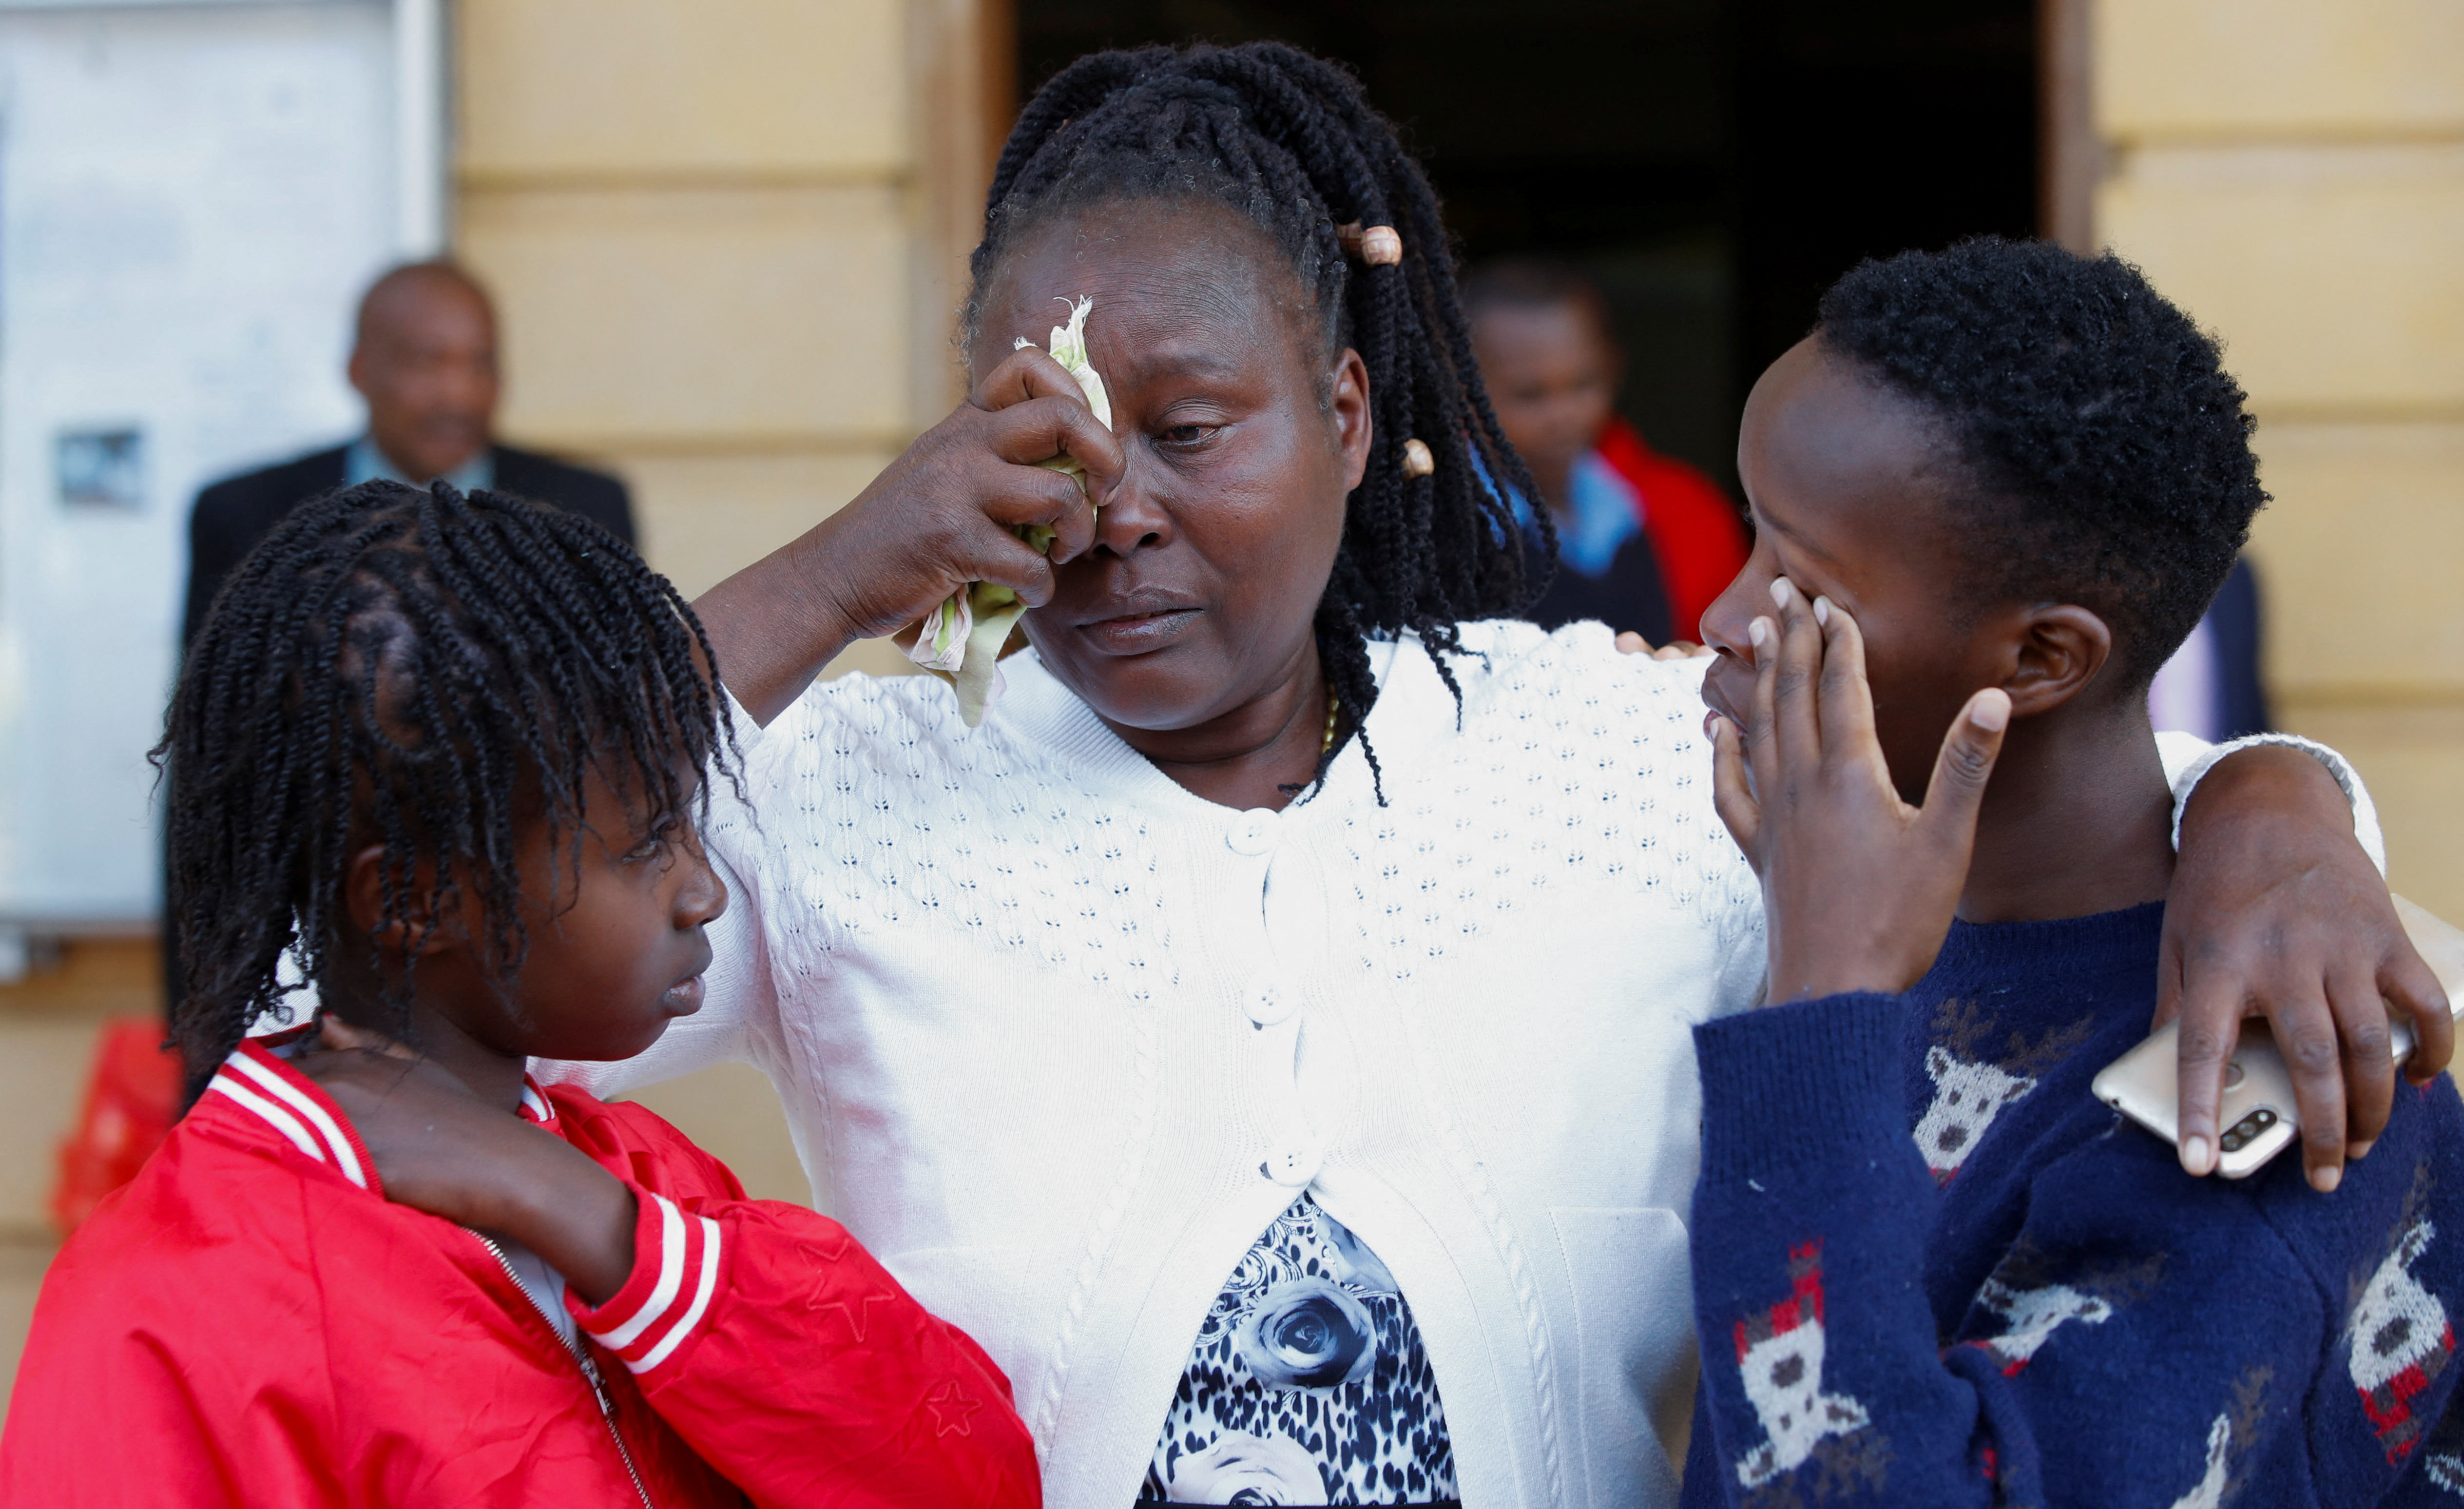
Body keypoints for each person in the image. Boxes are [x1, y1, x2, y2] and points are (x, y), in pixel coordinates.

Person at [556, 44, 2439, 1509]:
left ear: (1348, 418)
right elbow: (382, 958)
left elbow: (2068, 793)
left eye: (1191, 428)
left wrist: (2276, 802)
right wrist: (824, 577)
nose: (1106, 512)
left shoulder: (1611, 746)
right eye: (1036, 438)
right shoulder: (833, 797)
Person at [0, 483, 1039, 1509]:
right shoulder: (176, 1302)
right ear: (415, 896)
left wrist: (594, 1220)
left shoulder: (641, 1179)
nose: (705, 888)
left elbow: (974, 1475)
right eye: (643, 845)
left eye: (690, 822)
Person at [1681, 240, 2463, 1505]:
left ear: (2043, 658)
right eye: (1749, 533)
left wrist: (1821, 1009)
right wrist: (2273, 786)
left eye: (1802, 583)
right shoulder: (1781, 848)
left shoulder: (2265, 1066)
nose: (1724, 615)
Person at [181, 261, 634, 649]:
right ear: (360, 370)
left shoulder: (585, 511)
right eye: (426, 363)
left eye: (481, 363)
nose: (459, 396)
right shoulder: (245, 513)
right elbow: (214, 724)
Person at [1464, 256, 1748, 643]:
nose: (1563, 415)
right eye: (1530, 394)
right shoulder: (1432, 526)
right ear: (1461, 390)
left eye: (1583, 384)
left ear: (1614, 367)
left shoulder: (1687, 510)